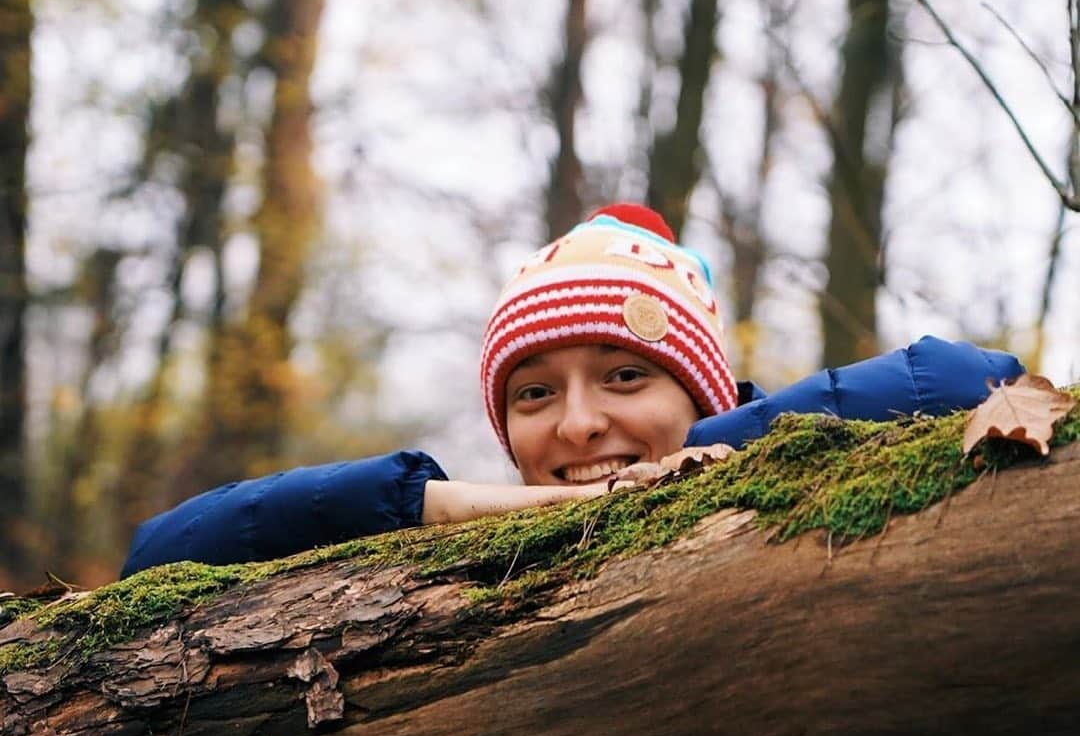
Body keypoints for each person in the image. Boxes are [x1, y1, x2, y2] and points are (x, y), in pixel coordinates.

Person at [120, 203, 1023, 576]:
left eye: (625, 376)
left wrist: (707, 462)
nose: (582, 424)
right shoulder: (482, 558)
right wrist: (443, 504)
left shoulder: (793, 476)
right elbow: (159, 553)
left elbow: (967, 376)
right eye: (535, 394)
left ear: (703, 393)